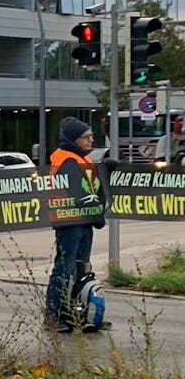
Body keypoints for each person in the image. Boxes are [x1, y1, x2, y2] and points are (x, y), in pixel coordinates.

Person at [45, 117, 104, 333]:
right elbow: (77, 193)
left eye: (91, 135)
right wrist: (96, 214)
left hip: (81, 221)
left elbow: (91, 187)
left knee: (79, 269)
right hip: (70, 222)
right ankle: (54, 316)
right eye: (86, 136)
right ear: (74, 139)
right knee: (65, 269)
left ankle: (76, 314)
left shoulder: (78, 158)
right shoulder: (68, 160)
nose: (91, 139)